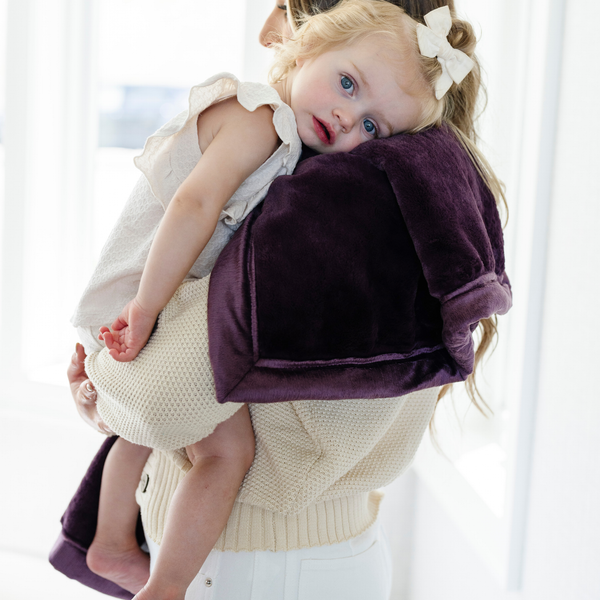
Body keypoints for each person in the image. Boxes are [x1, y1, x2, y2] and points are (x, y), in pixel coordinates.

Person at [62, 1, 510, 599]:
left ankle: (149, 574)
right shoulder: (289, 134)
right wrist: (121, 379)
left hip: (259, 567)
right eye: (345, 85)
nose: (348, 118)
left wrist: (111, 391)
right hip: (284, 553)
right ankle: (115, 544)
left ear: (308, 30)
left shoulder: (346, 181)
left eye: (371, 124)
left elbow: (164, 400)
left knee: (227, 451)